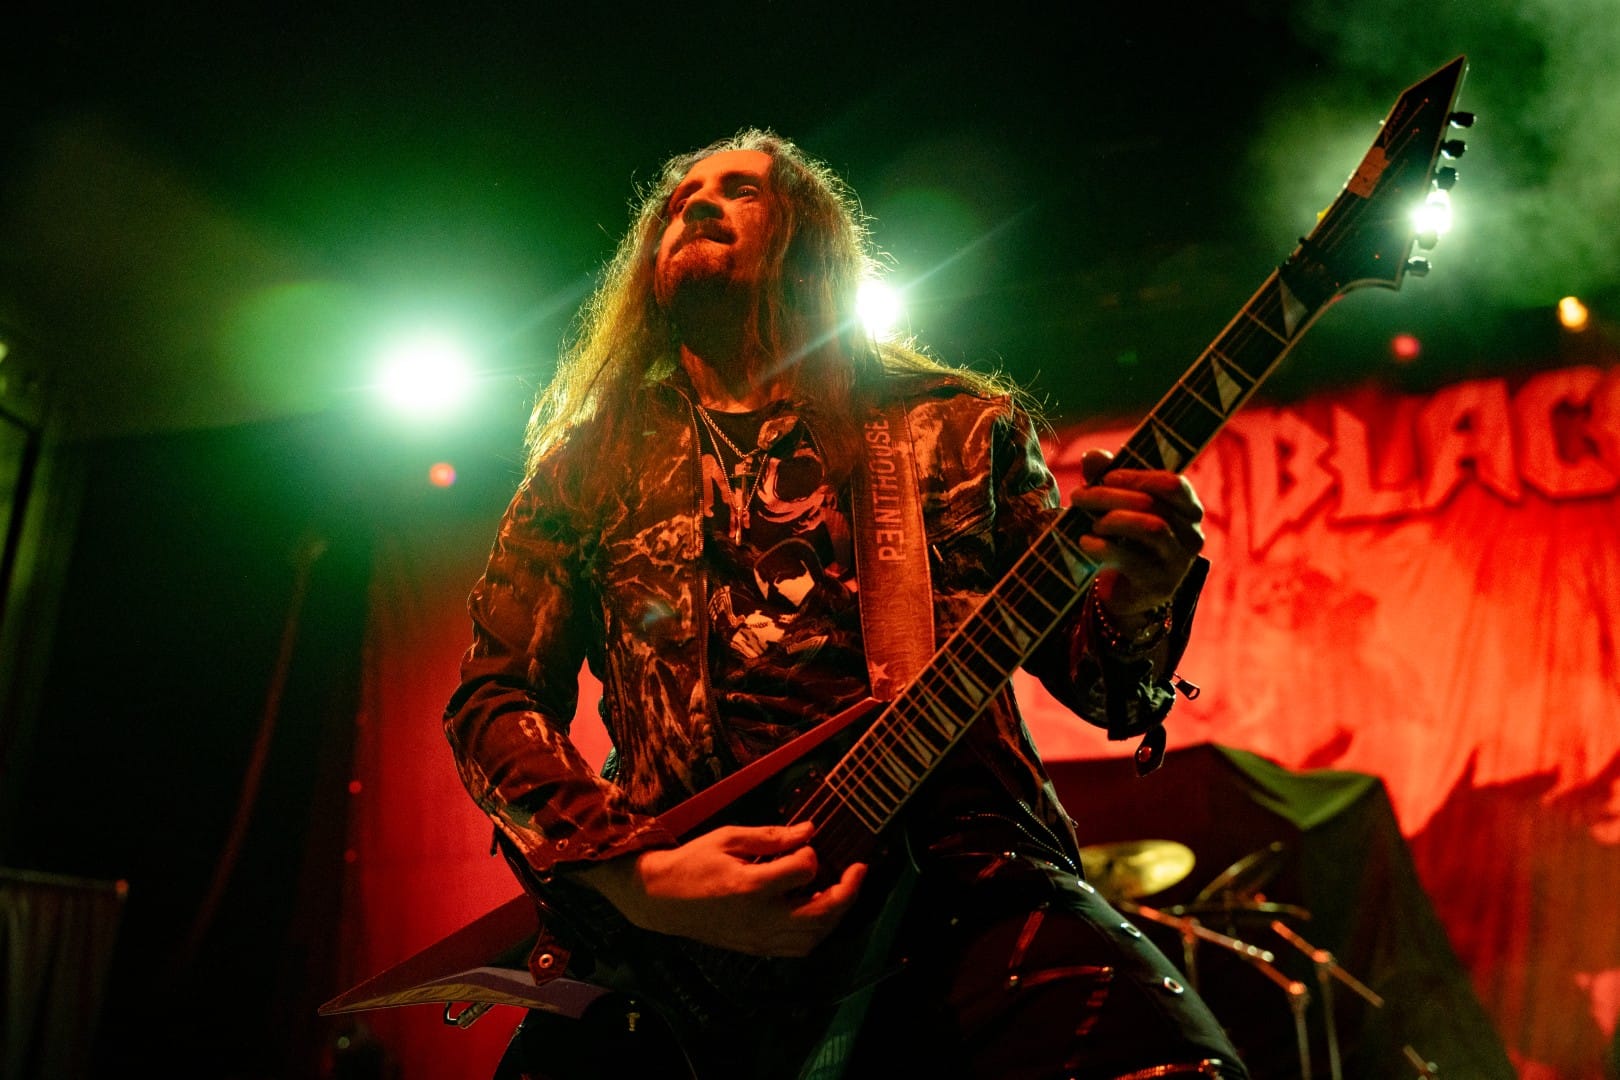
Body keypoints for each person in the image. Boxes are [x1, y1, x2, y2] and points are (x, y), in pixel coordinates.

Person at [444, 128, 1247, 1079]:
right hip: (675, 960)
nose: (696, 205)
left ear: (809, 242)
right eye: (679, 201)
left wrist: (1140, 595)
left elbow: (1105, 687)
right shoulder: (587, 468)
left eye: (739, 190)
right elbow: (494, 698)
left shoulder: (958, 427)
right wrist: (640, 875)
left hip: (964, 883)